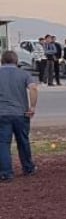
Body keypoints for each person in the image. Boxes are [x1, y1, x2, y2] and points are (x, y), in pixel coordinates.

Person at [0, 50, 38, 182]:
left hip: (2, 113)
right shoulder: (24, 74)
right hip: (20, 113)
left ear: (2, 60)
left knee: (3, 143)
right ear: (16, 61)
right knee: (23, 141)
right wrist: (32, 107)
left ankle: (6, 173)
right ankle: (28, 168)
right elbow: (33, 88)